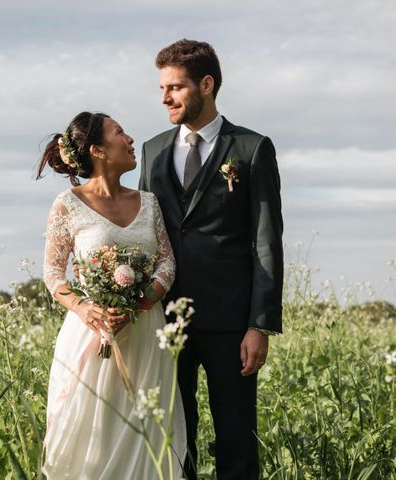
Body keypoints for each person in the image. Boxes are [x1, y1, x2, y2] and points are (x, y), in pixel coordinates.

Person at [138, 39, 284, 479]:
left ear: (207, 84)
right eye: (162, 87)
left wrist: (259, 324)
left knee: (236, 436)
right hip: (166, 324)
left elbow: (266, 241)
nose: (165, 97)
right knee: (174, 439)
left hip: (231, 323)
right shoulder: (152, 149)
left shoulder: (252, 148)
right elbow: (145, 230)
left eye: (176, 87)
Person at [37, 111, 187, 478]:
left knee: (147, 436)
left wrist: (140, 302)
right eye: (120, 132)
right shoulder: (67, 204)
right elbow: (53, 272)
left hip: (146, 336)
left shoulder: (149, 202)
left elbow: (167, 264)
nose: (131, 139)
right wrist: (86, 309)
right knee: (92, 436)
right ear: (98, 150)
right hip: (90, 335)